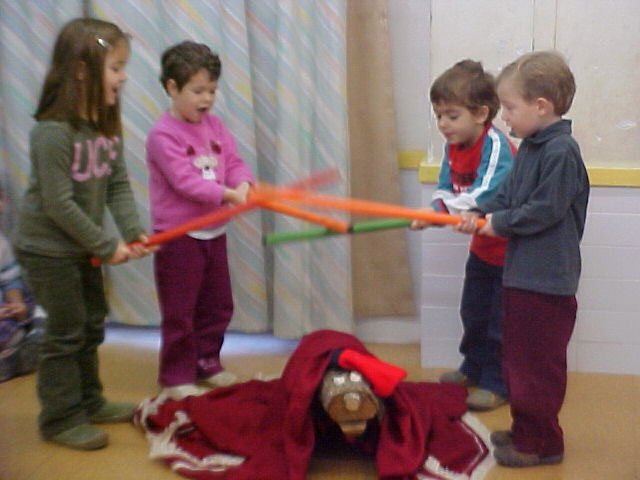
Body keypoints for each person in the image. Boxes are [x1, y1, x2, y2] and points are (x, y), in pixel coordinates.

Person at [13, 18, 156, 450]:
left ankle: (89, 401)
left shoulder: (105, 126)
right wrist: (105, 244)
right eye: (116, 67)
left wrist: (132, 232)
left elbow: (116, 185)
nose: (123, 77)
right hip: (47, 249)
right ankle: (59, 419)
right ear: (81, 70)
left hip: (81, 247)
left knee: (92, 325)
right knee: (66, 331)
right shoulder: (53, 132)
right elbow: (58, 205)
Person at [456, 51, 589, 467]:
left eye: (510, 108)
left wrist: (498, 224)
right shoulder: (532, 146)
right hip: (522, 277)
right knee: (518, 360)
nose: (505, 116)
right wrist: (478, 212)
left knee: (537, 367)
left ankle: (542, 443)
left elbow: (544, 209)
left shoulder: (561, 152)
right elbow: (507, 196)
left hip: (546, 283)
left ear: (541, 106)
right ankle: (526, 430)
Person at [146, 41, 255, 401]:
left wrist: (243, 183)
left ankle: (207, 362)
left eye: (212, 90)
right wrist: (228, 195)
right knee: (181, 311)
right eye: (198, 91)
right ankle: (176, 376)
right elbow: (185, 182)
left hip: (214, 232)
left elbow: (233, 162)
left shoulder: (215, 126)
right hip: (178, 237)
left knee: (218, 304)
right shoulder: (163, 135)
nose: (207, 98)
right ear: (172, 88)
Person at [411, 60, 515, 411]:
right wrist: (433, 212)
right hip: (483, 250)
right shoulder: (452, 147)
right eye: (439, 115)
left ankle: (497, 382)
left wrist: (446, 212)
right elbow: (446, 188)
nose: (443, 124)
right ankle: (473, 367)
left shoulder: (495, 145)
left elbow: (487, 192)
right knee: (473, 313)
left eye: (452, 116)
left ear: (481, 114)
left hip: (511, 254)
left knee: (501, 323)